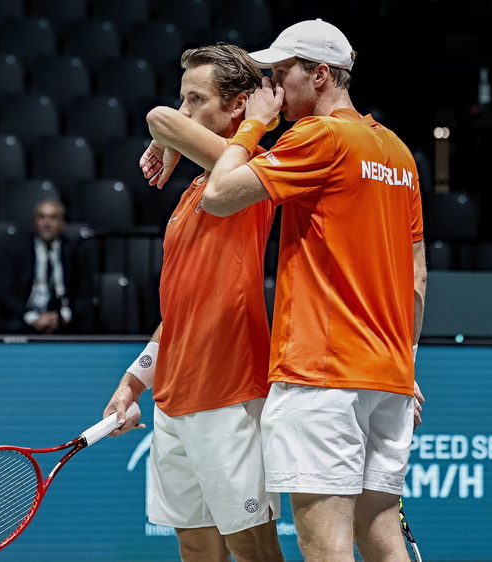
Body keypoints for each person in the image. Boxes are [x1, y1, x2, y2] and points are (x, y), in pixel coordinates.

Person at [201, 19, 428, 562]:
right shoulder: (397, 152)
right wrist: (408, 363)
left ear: (321, 74)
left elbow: (219, 195)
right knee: (381, 538)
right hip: (389, 376)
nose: (273, 90)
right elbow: (417, 276)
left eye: (282, 75)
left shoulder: (319, 135)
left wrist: (253, 127)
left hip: (321, 375)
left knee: (324, 548)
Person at [102, 44, 284, 562]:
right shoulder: (193, 193)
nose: (181, 111)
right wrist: (134, 380)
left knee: (253, 549)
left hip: (227, 388)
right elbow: (179, 312)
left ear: (238, 107)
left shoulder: (254, 174)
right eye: (183, 99)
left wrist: (169, 137)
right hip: (173, 397)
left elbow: (159, 118)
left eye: (195, 99)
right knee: (196, 547)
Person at [0, 199, 96, 334]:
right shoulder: (17, 251)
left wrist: (63, 318)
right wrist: (33, 318)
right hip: (25, 319)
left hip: (65, 322)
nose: (47, 223)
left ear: (62, 223)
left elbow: (85, 294)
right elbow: (5, 291)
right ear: (34, 223)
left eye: (53, 218)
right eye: (41, 217)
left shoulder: (74, 252)